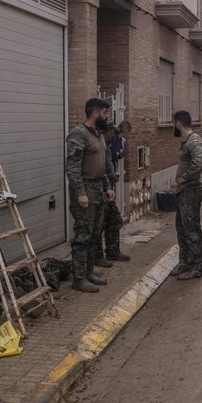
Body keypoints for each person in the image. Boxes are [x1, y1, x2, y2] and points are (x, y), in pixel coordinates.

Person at [65, 98, 114, 293]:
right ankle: (79, 278)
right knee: (83, 235)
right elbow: (72, 167)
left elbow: (103, 163)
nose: (107, 116)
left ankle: (89, 272)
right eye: (105, 112)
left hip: (98, 189)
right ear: (95, 113)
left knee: (94, 234)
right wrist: (80, 193)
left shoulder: (98, 134)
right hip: (85, 189)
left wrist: (107, 187)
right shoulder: (78, 134)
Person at [170, 110, 202, 280]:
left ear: (178, 123)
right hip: (183, 191)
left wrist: (183, 179)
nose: (173, 126)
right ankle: (184, 263)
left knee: (191, 230)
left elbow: (198, 163)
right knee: (181, 229)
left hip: (191, 190)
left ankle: (196, 266)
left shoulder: (194, 141)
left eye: (173, 122)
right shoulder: (186, 141)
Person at [93, 122, 130, 267]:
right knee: (98, 224)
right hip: (98, 190)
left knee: (114, 219)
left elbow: (108, 165)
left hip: (107, 188)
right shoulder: (97, 146)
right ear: (106, 132)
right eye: (111, 134)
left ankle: (113, 251)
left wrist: (110, 180)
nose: (113, 136)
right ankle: (97, 256)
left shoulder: (106, 146)